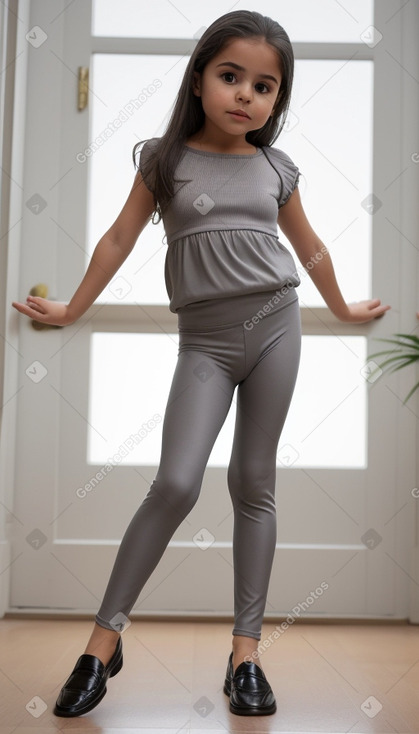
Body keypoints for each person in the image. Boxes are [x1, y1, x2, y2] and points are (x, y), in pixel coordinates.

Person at [12, 9, 390, 719]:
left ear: (276, 99)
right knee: (176, 483)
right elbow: (120, 237)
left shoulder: (277, 168)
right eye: (230, 76)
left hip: (275, 329)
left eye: (265, 86)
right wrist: (72, 309)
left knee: (254, 483)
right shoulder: (164, 159)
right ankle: (102, 643)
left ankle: (246, 654)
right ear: (198, 78)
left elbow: (309, 250)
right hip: (205, 344)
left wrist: (339, 308)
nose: (246, 94)